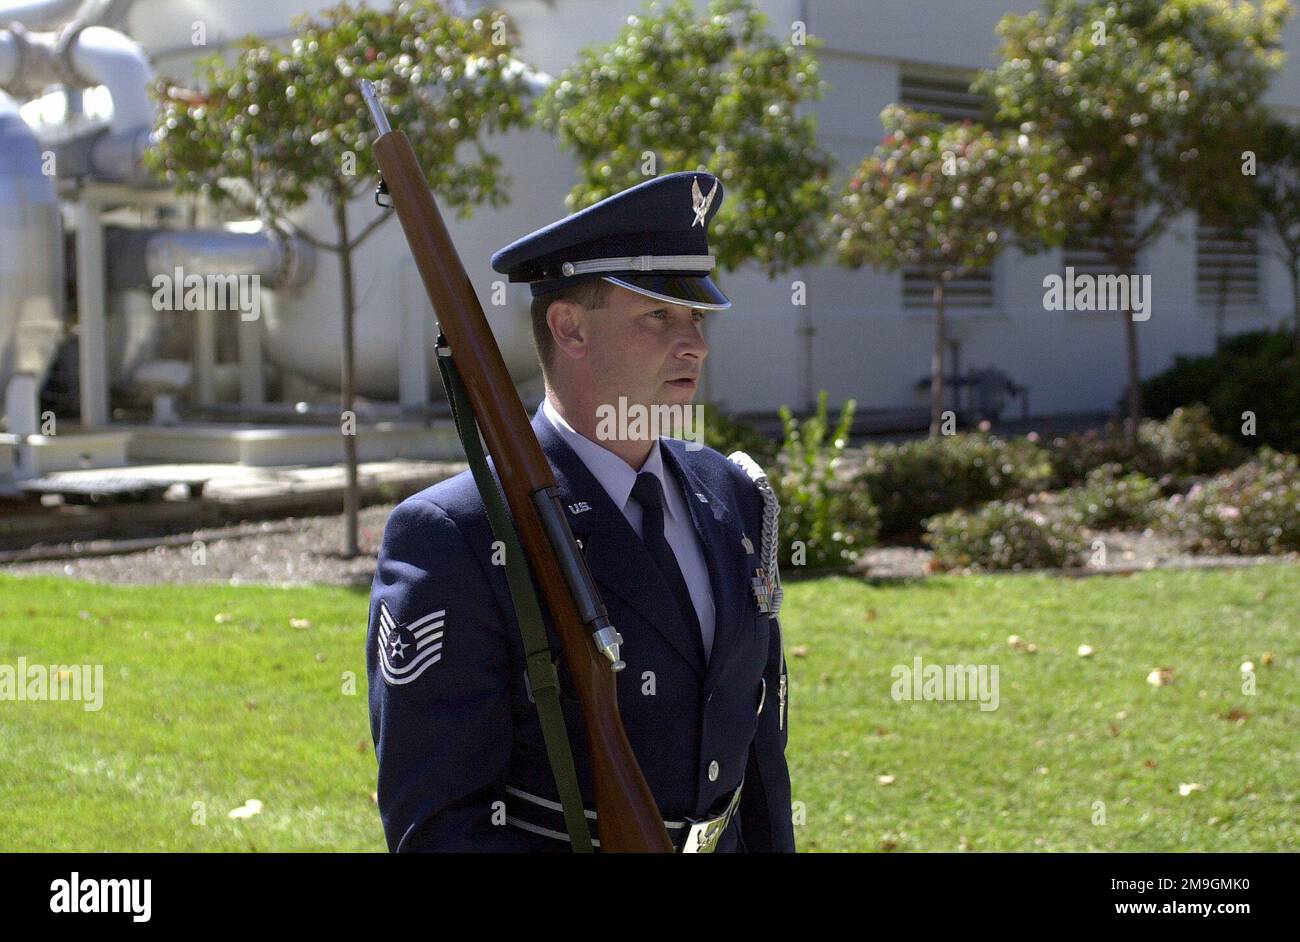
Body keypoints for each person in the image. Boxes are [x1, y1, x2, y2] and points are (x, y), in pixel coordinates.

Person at [367, 170, 793, 852]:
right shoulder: (461, 535)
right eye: (659, 315)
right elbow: (440, 828)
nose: (696, 345)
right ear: (569, 328)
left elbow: (761, 754)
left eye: (696, 317)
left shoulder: (734, 494)